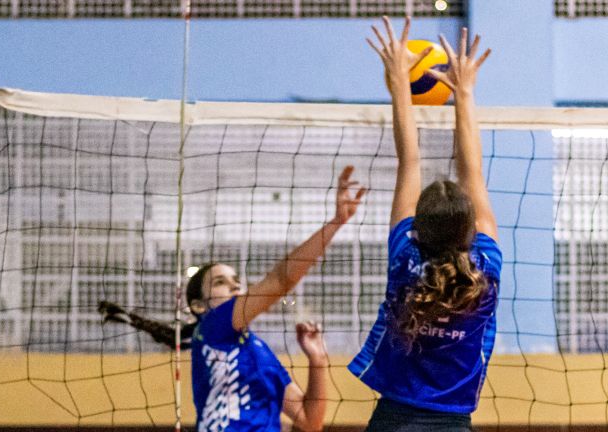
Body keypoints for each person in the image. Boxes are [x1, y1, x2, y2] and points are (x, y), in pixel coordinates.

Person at [100, 165, 366, 432]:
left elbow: (311, 420)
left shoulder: (260, 352)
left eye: (236, 280)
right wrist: (336, 223)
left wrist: (318, 361)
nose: (234, 285)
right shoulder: (213, 327)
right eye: (220, 282)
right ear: (198, 306)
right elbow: (281, 280)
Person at [348, 17, 502, 431]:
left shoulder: (405, 260)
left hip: (392, 419)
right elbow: (473, 172)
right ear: (472, 229)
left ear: (417, 231)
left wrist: (399, 82)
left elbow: (409, 160)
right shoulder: (485, 268)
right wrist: (464, 93)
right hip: (453, 423)